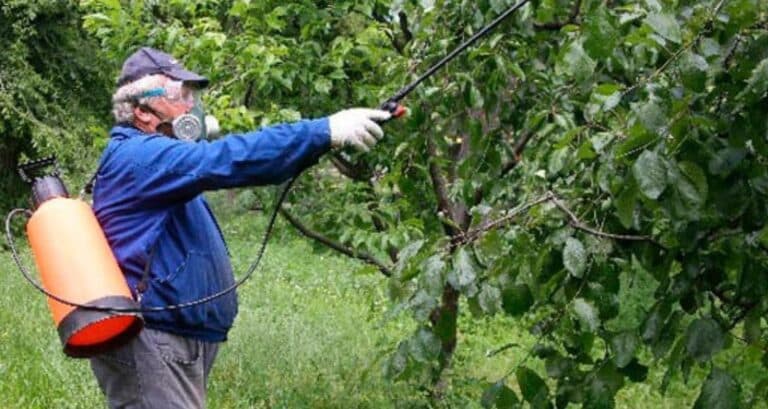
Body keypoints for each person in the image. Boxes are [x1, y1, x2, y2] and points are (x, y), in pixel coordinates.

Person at [89, 47, 391, 408]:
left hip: (176, 337)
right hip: (153, 337)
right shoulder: (140, 157)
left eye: (193, 96)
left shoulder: (161, 159)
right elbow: (230, 158)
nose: (193, 107)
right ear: (141, 109)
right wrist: (323, 131)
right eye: (180, 96)